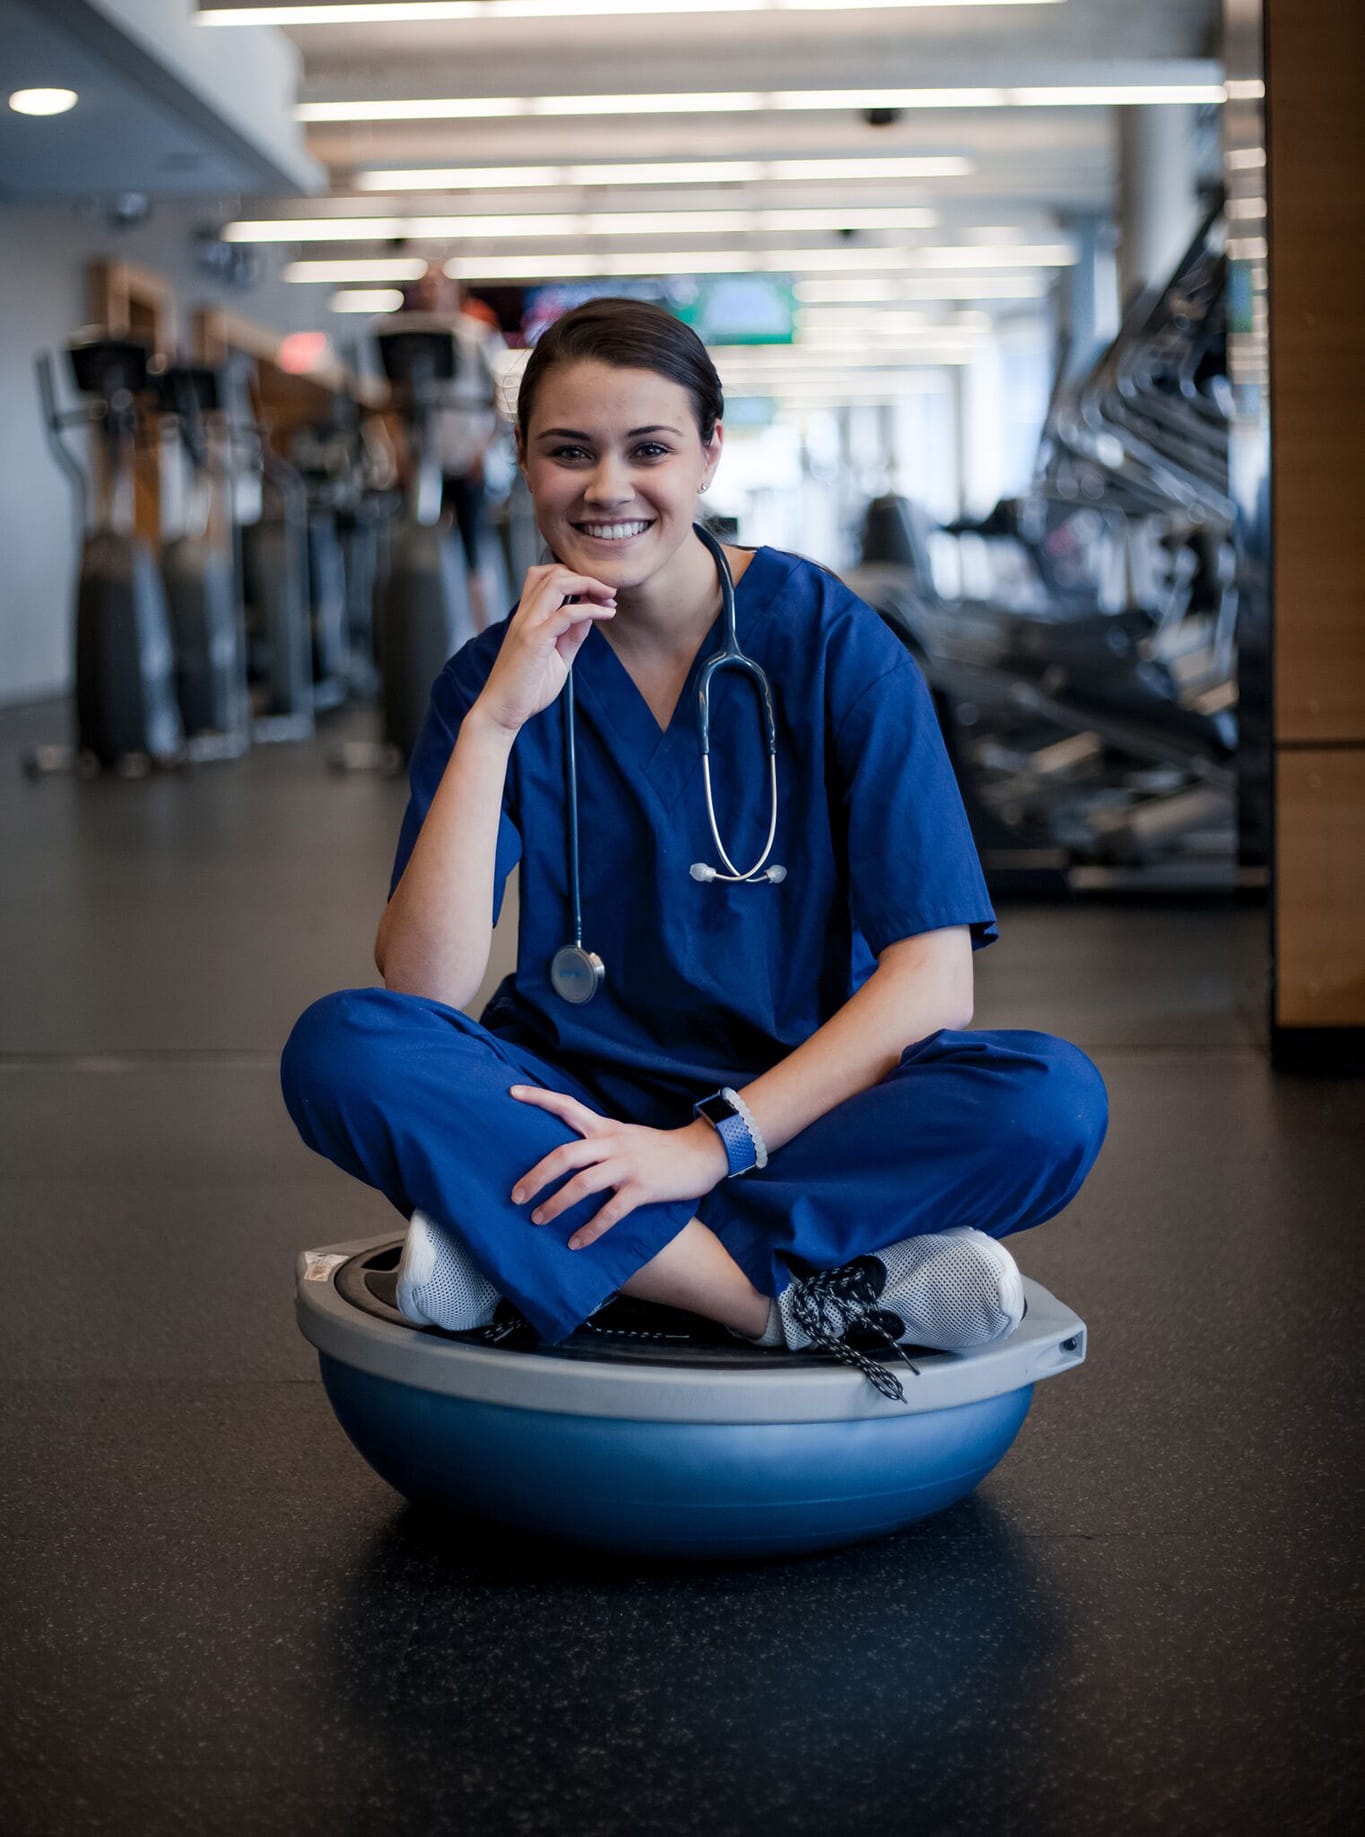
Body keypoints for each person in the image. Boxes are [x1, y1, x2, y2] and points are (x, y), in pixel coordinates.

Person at [281, 298, 1108, 1404]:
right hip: (572, 1104)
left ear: (711, 450)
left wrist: (704, 1148)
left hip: (800, 1106)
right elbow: (425, 984)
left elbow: (933, 980)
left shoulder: (829, 642)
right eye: (568, 452)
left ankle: (555, 1252)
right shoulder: (493, 675)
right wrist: (496, 723)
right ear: (522, 462)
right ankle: (771, 1299)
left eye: (650, 449)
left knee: (1051, 1100)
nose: (608, 488)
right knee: (345, 1047)